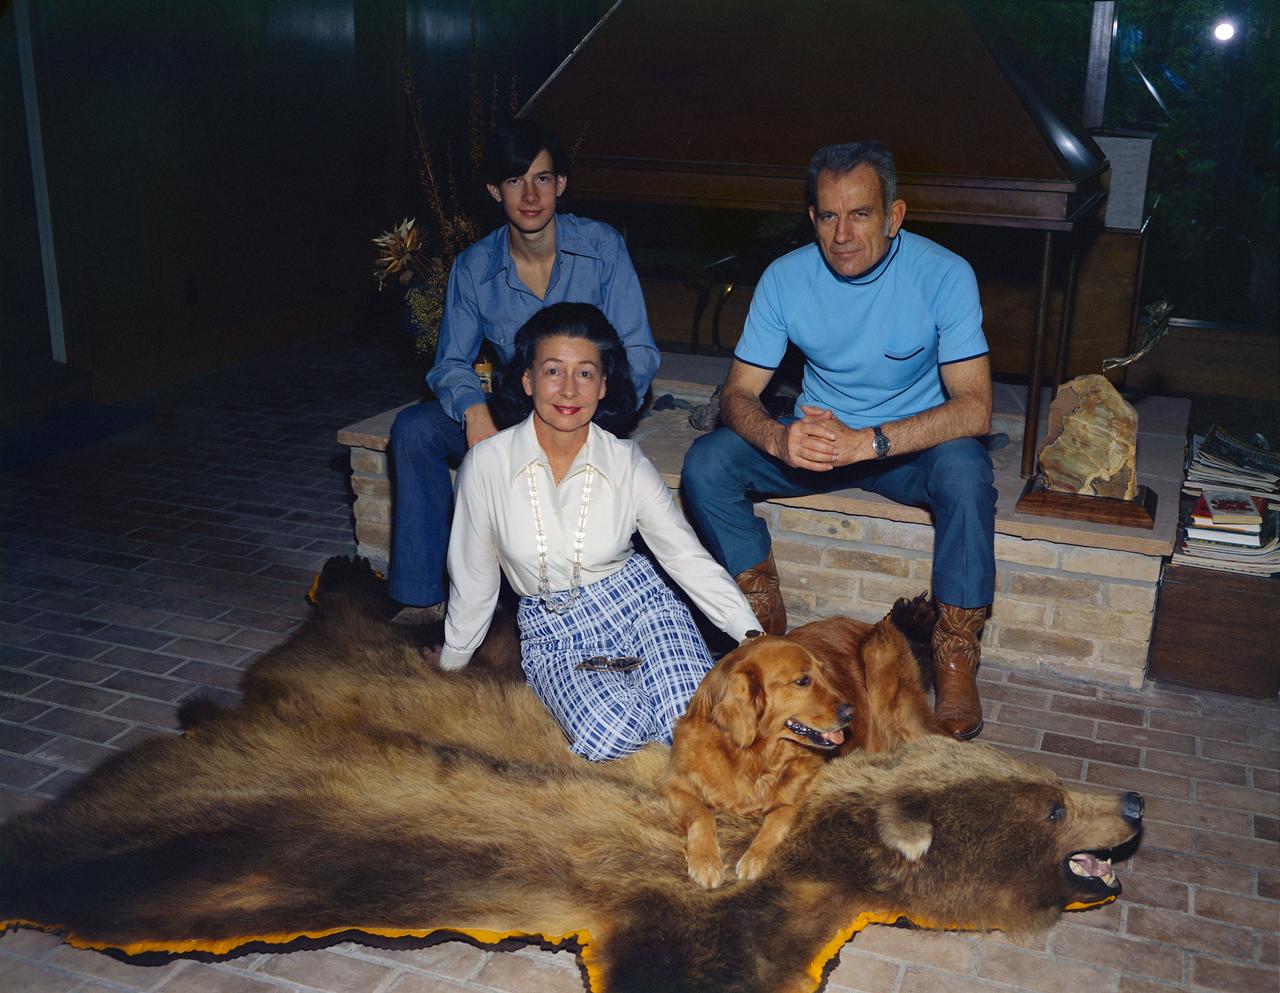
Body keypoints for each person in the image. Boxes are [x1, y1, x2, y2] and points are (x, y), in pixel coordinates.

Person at [680, 140, 996, 741]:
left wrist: (869, 443)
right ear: (812, 218)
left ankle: (955, 661)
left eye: (860, 214)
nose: (842, 233)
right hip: (817, 446)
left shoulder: (945, 275)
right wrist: (778, 439)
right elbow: (736, 395)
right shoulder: (785, 278)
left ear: (894, 216)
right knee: (707, 461)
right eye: (828, 215)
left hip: (907, 450)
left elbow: (977, 408)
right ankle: (763, 632)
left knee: (966, 469)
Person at [430, 303, 760, 761]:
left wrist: (751, 637)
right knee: (613, 733)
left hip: (641, 606)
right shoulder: (487, 465)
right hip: (553, 629)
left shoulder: (625, 463)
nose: (568, 388)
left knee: (694, 725)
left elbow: (686, 557)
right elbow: (473, 577)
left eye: (585, 373)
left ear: (604, 386)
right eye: (552, 370)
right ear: (527, 380)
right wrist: (451, 663)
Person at [388, 120, 660, 624]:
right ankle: (421, 598)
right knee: (415, 429)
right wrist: (473, 410)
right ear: (495, 190)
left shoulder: (601, 247)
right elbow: (449, 361)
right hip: (516, 409)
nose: (530, 194)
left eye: (542, 178)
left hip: (585, 408)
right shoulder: (473, 267)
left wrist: (592, 412)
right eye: (515, 181)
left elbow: (639, 351)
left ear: (560, 184)